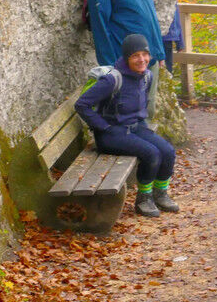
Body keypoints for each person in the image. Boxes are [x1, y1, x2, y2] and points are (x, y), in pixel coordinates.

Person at [75, 34, 178, 218]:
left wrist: (143, 128)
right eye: (135, 56)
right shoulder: (113, 80)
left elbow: (140, 107)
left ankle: (160, 193)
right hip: (110, 134)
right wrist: (103, 127)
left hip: (134, 128)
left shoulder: (146, 76)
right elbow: (81, 104)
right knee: (151, 153)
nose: (142, 60)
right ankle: (144, 199)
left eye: (145, 54)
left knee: (168, 151)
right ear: (126, 57)